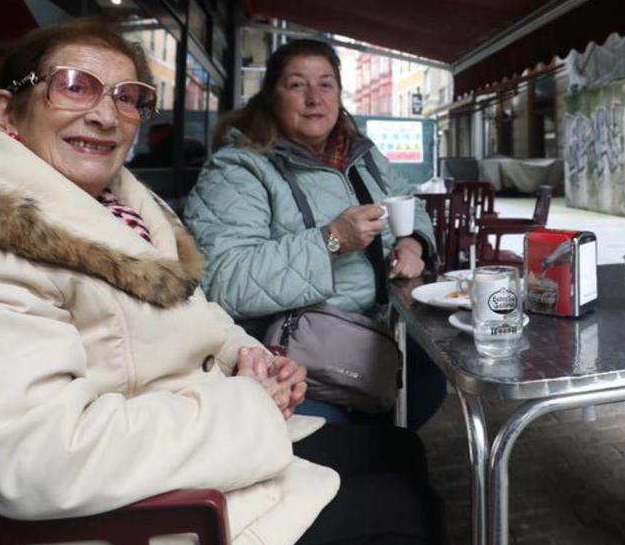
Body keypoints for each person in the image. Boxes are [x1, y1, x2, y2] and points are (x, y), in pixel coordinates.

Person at [0, 19, 444, 545]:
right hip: (129, 520)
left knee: (400, 451)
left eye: (126, 96)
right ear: (8, 113)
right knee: (403, 509)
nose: (104, 113)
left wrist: (250, 355)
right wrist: (249, 399)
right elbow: (40, 459)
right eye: (73, 86)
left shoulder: (123, 213)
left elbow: (193, 312)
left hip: (176, 452)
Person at [185, 39, 446, 427]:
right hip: (298, 360)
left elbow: (410, 203)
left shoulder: (363, 155)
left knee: (429, 382)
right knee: (361, 449)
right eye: (296, 85)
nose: (313, 98)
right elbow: (225, 278)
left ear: (339, 95)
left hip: (376, 336)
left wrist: (412, 241)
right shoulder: (239, 169)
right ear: (271, 96)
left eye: (325, 85)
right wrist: (331, 240)